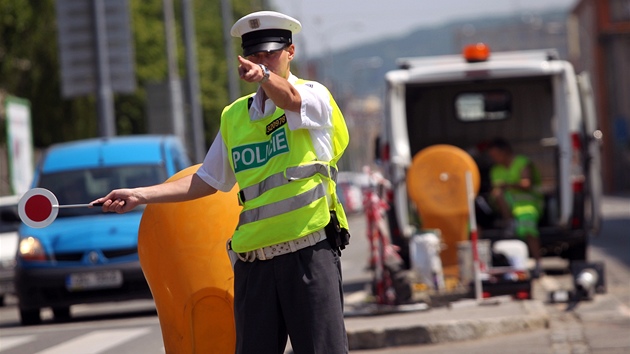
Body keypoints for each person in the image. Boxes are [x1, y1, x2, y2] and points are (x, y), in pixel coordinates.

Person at [93, 11, 350, 354]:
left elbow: (287, 98)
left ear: (290, 51)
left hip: (308, 254)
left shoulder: (314, 97)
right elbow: (206, 181)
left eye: (271, 54)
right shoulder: (235, 117)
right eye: (256, 56)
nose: (263, 63)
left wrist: (264, 76)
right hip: (254, 264)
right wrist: (139, 195)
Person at [486, 137, 544, 278]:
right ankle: (509, 223)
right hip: (509, 206)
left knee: (529, 229)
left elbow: (526, 184)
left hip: (528, 203)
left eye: (496, 155)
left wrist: (507, 185)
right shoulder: (496, 170)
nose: (494, 159)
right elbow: (496, 189)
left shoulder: (521, 163)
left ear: (505, 152)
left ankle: (538, 264)